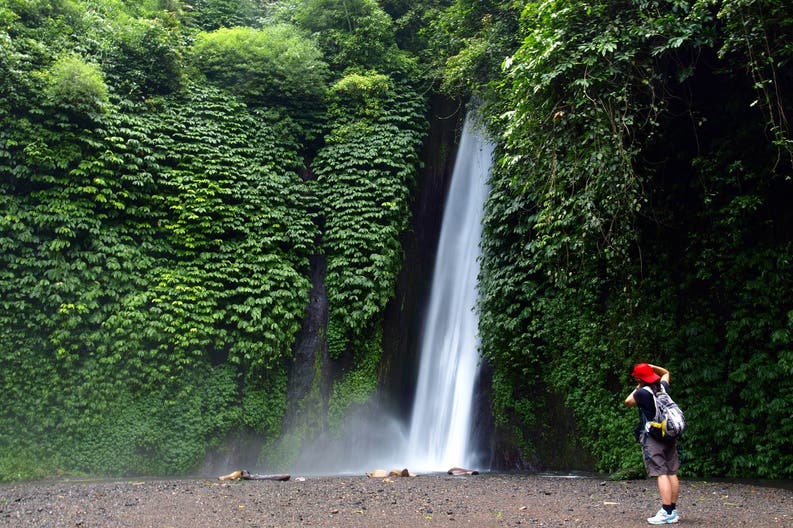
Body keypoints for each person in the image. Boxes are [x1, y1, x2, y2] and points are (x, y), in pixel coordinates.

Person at [625, 363, 680, 525]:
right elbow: (666, 372)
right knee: (671, 472)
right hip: (669, 434)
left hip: (654, 437)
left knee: (661, 472)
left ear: (639, 379)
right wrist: (652, 367)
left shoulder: (642, 393)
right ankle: (673, 511)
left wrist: (640, 384)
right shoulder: (662, 387)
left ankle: (666, 511)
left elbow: (628, 401)